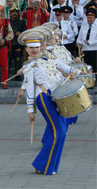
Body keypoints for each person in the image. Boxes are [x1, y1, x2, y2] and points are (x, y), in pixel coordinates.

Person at [18, 28, 74, 175]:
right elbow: (30, 90)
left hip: (57, 96)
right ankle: (42, 165)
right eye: (31, 48)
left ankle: (50, 165)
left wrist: (74, 73)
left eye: (37, 47)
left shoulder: (50, 58)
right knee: (59, 131)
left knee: (61, 132)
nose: (35, 50)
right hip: (43, 97)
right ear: (26, 49)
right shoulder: (29, 67)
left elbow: (66, 69)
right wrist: (30, 111)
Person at [77, 8, 97, 72]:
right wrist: (79, 43)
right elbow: (78, 39)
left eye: (91, 18)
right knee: (86, 70)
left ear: (94, 18)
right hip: (85, 51)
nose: (89, 19)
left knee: (95, 69)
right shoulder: (83, 27)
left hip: (94, 51)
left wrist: (90, 43)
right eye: (88, 18)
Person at [9, 4, 26, 78]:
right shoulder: (7, 22)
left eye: (16, 12)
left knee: (18, 61)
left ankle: (18, 77)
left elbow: (24, 32)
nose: (14, 13)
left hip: (18, 44)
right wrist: (15, 32)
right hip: (9, 43)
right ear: (10, 13)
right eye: (13, 12)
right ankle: (6, 76)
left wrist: (19, 34)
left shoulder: (22, 22)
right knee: (8, 61)